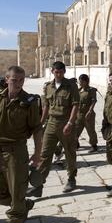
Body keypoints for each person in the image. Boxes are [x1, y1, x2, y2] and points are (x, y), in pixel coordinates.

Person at [0, 65, 42, 223]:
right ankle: (23, 205)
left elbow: (36, 129)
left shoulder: (30, 102)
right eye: (14, 80)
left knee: (17, 189)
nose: (18, 84)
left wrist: (37, 153)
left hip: (16, 152)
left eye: (21, 80)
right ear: (7, 79)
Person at [28, 61, 79, 197]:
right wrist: (41, 123)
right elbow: (46, 106)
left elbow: (75, 105)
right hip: (51, 123)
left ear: (64, 71)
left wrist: (70, 123)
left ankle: (71, 178)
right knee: (45, 154)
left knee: (69, 152)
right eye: (56, 72)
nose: (59, 74)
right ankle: (39, 185)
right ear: (52, 72)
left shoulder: (71, 86)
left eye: (61, 72)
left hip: (65, 123)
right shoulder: (48, 87)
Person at [76, 74, 98, 153]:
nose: (80, 83)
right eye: (79, 82)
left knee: (90, 130)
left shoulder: (91, 90)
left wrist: (90, 111)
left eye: (82, 82)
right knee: (76, 130)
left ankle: (94, 145)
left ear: (86, 81)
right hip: (79, 114)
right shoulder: (79, 90)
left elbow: (94, 101)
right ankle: (76, 144)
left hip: (88, 114)